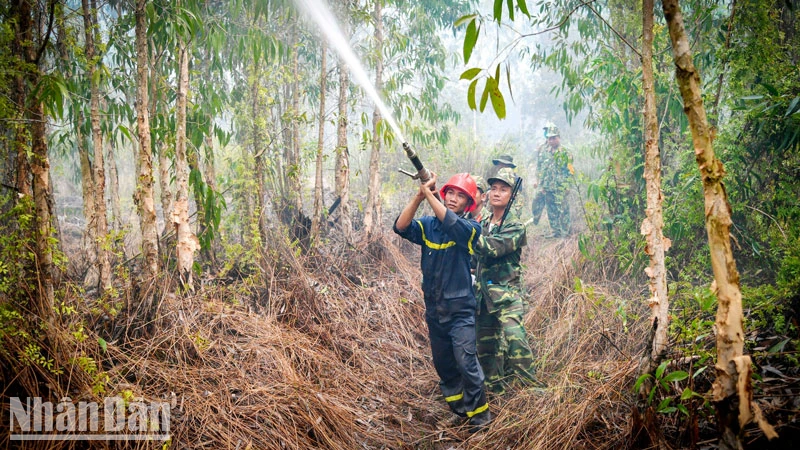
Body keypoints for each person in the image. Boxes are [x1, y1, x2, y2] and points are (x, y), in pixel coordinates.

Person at [393, 172, 492, 432]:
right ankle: (461, 411)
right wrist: (419, 195)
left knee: (466, 362)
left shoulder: (469, 228)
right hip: (435, 311)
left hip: (460, 312)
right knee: (445, 365)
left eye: (461, 196)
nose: (453, 199)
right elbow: (401, 227)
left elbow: (451, 223)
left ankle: (481, 419)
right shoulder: (428, 226)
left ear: (468, 204)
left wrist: (430, 195)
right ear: (444, 193)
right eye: (450, 193)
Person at [474, 168, 540, 394]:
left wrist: (465, 233)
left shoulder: (515, 226)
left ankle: (530, 389)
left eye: (503, 189)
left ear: (512, 196)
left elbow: (492, 248)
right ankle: (495, 389)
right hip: (483, 296)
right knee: (486, 347)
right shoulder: (483, 222)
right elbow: (474, 257)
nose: (496, 193)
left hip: (506, 295)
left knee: (515, 340)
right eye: (493, 188)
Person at [531, 123, 573, 237]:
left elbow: (570, 171)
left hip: (560, 187)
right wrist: (538, 181)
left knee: (563, 209)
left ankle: (566, 232)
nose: (551, 140)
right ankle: (556, 232)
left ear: (558, 137)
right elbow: (540, 167)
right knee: (551, 210)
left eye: (554, 138)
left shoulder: (565, 152)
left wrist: (568, 185)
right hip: (547, 186)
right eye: (549, 138)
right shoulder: (544, 151)